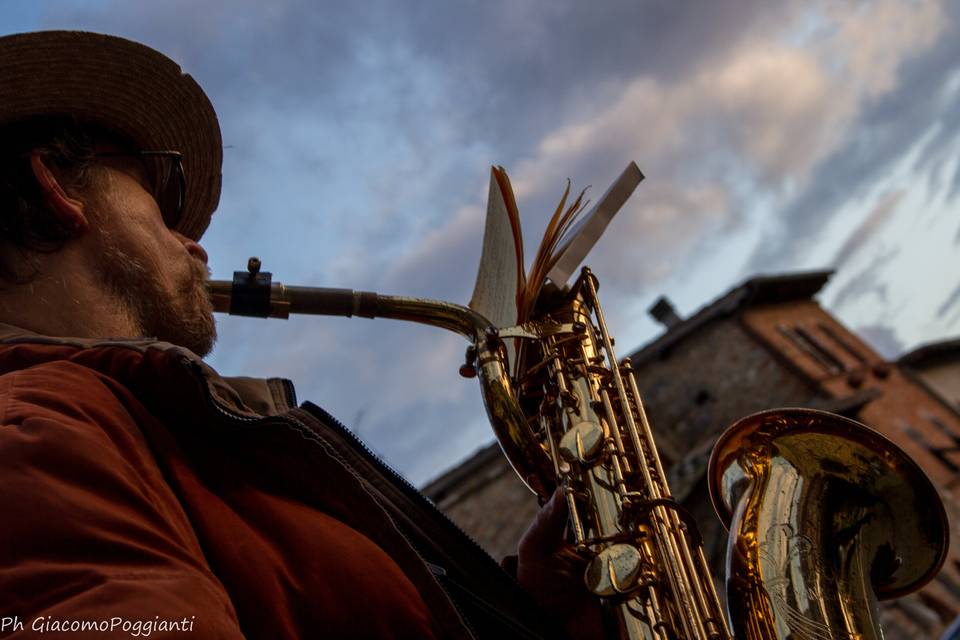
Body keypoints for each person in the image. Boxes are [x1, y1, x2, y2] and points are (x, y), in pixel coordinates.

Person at [0, 31, 602, 639]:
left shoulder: (133, 432)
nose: (195, 246)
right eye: (161, 201)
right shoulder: (34, 436)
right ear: (57, 186)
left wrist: (523, 617)